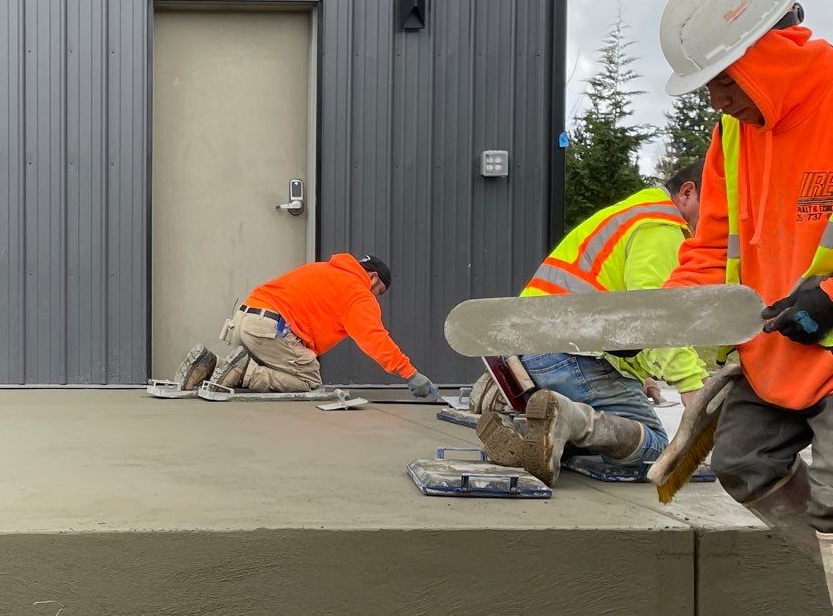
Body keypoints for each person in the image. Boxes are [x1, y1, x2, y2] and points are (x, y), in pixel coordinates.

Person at [658, 0, 833, 616]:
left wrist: (828, 297)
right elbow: (709, 249)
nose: (715, 100)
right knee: (742, 463)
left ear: (762, 52)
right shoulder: (732, 136)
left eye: (722, 82)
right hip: (778, 348)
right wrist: (664, 316)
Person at [472, 164, 708, 484]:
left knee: (559, 434)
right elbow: (655, 313)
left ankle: (522, 421)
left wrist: (644, 374)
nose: (714, 222)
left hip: (529, 352)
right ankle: (572, 418)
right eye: (715, 208)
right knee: (653, 446)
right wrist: (692, 385)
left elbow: (623, 316)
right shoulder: (662, 225)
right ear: (687, 192)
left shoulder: (632, 214)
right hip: (572, 355)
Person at [174, 253, 440, 398]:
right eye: (379, 291)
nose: (376, 297)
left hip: (244, 320)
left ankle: (212, 364)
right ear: (371, 277)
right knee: (307, 378)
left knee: (281, 364)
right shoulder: (358, 292)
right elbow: (373, 338)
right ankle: (244, 373)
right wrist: (410, 374)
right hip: (269, 329)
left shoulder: (324, 269)